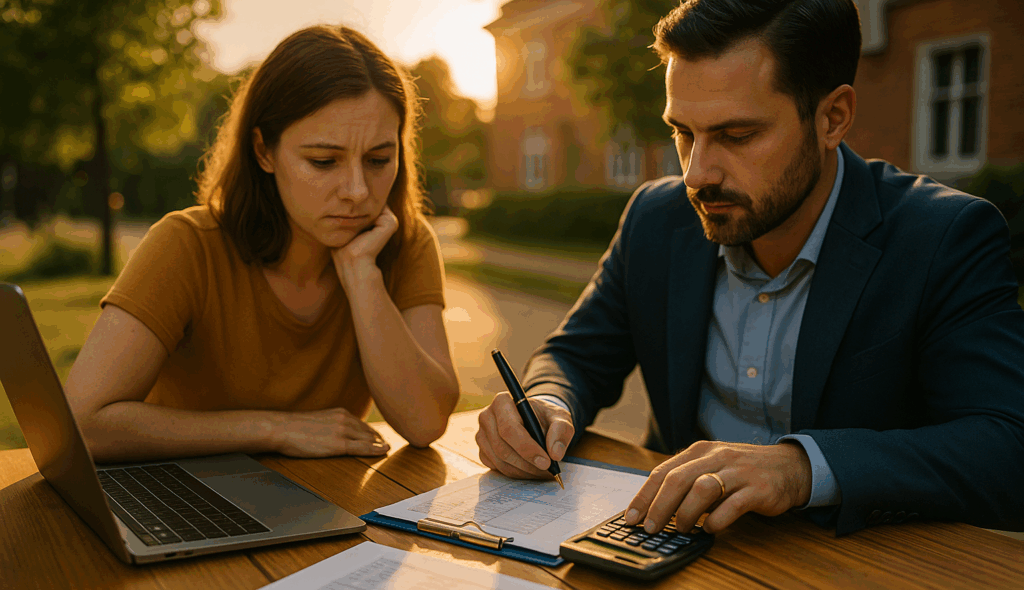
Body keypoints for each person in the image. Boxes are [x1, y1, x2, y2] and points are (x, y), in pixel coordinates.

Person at [475, 0, 1024, 536]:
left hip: (860, 584)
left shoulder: (944, 236)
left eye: (737, 136)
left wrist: (802, 468)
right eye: (683, 132)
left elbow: (1007, 447)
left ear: (833, 117)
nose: (696, 173)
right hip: (672, 564)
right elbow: (575, 354)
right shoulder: (655, 218)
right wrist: (546, 404)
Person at [66, 26, 460, 463]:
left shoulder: (404, 241)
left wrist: (363, 277)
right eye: (323, 161)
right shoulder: (186, 245)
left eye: (378, 160)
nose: (357, 191)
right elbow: (84, 425)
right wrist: (273, 429)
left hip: (328, 505)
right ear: (263, 151)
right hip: (185, 496)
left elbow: (425, 422)